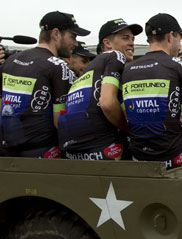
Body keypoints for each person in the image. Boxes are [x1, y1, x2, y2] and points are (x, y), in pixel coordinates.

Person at [121, 13, 182, 169]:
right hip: (172, 159)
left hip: (137, 157)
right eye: (180, 39)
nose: (180, 45)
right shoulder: (181, 66)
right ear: (170, 36)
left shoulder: (128, 69)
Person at [0, 11, 89, 158]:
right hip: (42, 156)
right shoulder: (58, 66)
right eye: (72, 37)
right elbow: (60, 122)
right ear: (56, 34)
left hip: (6, 154)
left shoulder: (11, 60)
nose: (75, 43)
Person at [57, 18, 142, 161]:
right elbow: (107, 103)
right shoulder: (115, 55)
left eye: (133, 39)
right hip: (104, 149)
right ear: (107, 43)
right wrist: (128, 129)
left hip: (73, 151)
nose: (131, 43)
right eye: (125, 38)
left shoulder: (91, 69)